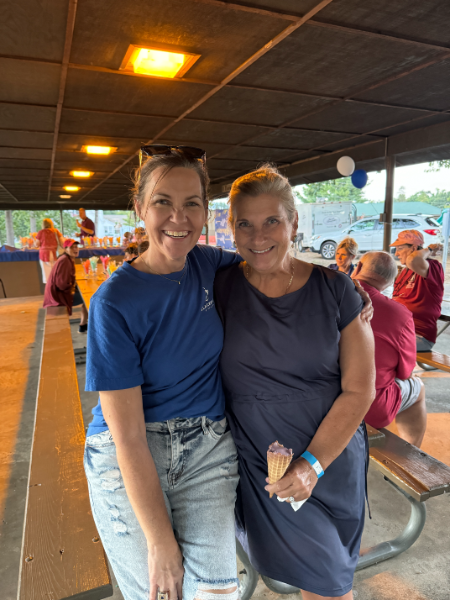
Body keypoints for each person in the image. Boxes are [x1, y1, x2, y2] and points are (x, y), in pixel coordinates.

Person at [83, 146, 243, 600]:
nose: (179, 217)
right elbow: (127, 435)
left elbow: (276, 265)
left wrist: (345, 287)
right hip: (131, 450)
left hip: (208, 448)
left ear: (206, 211)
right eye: (162, 202)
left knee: (217, 595)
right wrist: (159, 542)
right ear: (139, 209)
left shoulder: (210, 264)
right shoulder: (114, 302)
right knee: (161, 591)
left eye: (192, 202)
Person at [214, 165, 375, 600]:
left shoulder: (335, 289)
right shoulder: (218, 285)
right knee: (316, 580)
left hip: (329, 454)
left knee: (328, 584)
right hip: (262, 457)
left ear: (294, 223)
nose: (258, 235)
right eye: (244, 223)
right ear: (230, 229)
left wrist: (314, 464)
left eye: (272, 221)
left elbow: (361, 389)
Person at [352, 252, 426, 446]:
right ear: (389, 282)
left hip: (321, 400)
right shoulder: (399, 314)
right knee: (418, 389)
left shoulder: (327, 298)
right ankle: (410, 454)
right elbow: (406, 372)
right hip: (370, 408)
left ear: (358, 268)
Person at [391, 230, 444, 351]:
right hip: (399, 330)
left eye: (399, 248)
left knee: (379, 344)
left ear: (414, 248)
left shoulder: (432, 266)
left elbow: (413, 260)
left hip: (419, 335)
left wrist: (430, 249)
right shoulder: (405, 271)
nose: (396, 254)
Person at [43, 239, 88, 332]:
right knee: (90, 297)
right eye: (72, 247)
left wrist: (73, 286)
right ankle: (86, 326)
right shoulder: (65, 261)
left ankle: (83, 325)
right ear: (66, 249)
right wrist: (71, 288)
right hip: (57, 297)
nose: (75, 249)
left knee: (86, 294)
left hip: (57, 293)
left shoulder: (66, 258)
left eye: (76, 247)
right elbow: (62, 285)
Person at [35, 218, 64, 284]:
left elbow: (37, 244)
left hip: (44, 255)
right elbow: (62, 243)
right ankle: (56, 291)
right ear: (51, 224)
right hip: (54, 254)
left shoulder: (40, 232)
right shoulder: (56, 231)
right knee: (55, 274)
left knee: (47, 275)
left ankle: (49, 291)